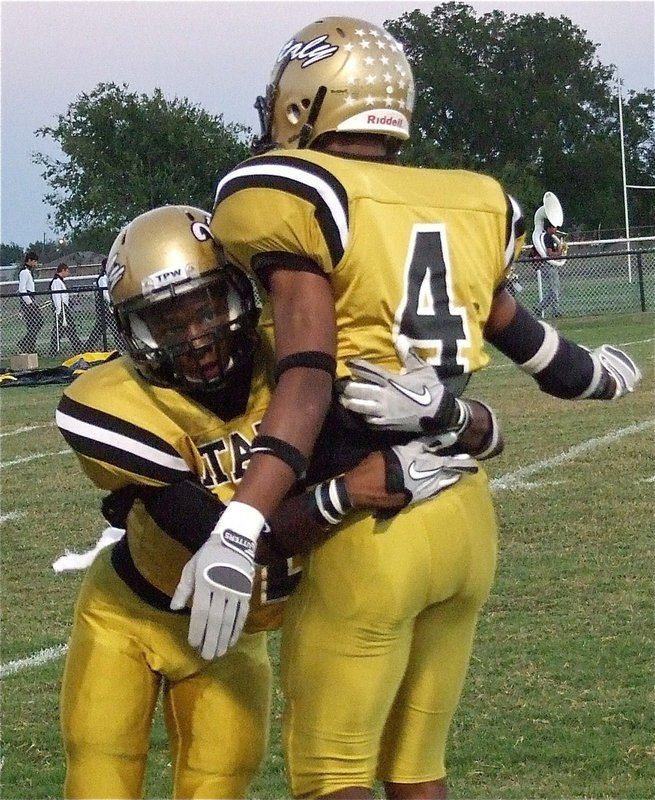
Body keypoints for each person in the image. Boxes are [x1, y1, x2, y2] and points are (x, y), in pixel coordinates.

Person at [206, 16, 642, 799]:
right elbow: (538, 350)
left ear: (304, 103)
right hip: (464, 517)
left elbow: (306, 374)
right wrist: (600, 378)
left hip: (370, 521)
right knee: (416, 769)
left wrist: (239, 526)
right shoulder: (473, 201)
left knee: (331, 774)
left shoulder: (298, 194)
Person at [54, 204, 494, 800]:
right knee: (100, 777)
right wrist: (347, 492)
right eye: (168, 322)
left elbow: (474, 431)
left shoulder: (300, 364)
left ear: (239, 292)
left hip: (233, 639)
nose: (197, 337)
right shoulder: (116, 404)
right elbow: (223, 539)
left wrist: (454, 416)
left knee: (217, 784)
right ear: (135, 334)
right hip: (129, 616)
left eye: (207, 307)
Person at [85, 257, 121, 350]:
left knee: (110, 326)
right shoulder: (102, 278)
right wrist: (111, 302)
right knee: (106, 326)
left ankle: (120, 344)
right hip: (104, 307)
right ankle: (88, 346)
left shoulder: (109, 277)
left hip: (109, 307)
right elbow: (105, 293)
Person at [49, 262, 83, 356]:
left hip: (64, 308)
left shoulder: (60, 281)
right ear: (62, 270)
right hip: (61, 309)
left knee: (68, 328)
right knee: (60, 329)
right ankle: (55, 349)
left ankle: (77, 346)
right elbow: (56, 297)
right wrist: (59, 310)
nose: (68, 273)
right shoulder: (56, 281)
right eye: (67, 271)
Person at [532, 220, 565, 318]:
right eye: (554, 227)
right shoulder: (547, 238)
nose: (556, 229)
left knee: (555, 290)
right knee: (553, 291)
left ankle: (551, 310)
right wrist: (560, 252)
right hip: (548, 266)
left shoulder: (550, 238)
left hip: (551, 266)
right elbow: (550, 253)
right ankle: (543, 308)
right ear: (549, 228)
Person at [17, 250, 44, 352]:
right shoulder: (24, 272)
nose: (36, 264)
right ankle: (24, 343)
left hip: (31, 299)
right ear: (29, 260)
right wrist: (30, 303)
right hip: (27, 301)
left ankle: (30, 347)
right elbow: (22, 289)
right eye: (35, 261)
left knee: (33, 324)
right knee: (38, 322)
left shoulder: (28, 272)